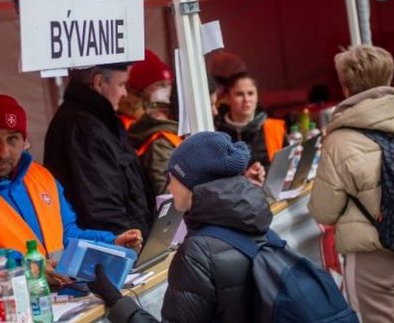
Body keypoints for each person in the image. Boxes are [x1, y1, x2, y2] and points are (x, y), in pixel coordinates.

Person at [0, 94, 142, 317]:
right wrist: (24, 273)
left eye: (12, 139)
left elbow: (66, 236)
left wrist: (111, 244)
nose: (4, 152)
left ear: (24, 141)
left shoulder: (39, 177)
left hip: (58, 311)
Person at [88, 131, 273, 322]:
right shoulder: (258, 226)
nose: (169, 187)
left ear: (190, 182)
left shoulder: (196, 253)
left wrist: (116, 301)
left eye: (171, 177)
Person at [308, 45, 394, 323]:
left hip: (372, 256)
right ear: (388, 77)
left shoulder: (339, 140)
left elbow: (324, 211)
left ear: (346, 87)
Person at [44, 64, 154, 238]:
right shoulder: (84, 127)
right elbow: (101, 204)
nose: (124, 93)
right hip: (112, 243)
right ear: (99, 82)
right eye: (121, 85)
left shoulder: (101, 120)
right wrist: (125, 244)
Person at [214, 72, 287, 185]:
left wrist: (263, 172)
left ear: (257, 96)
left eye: (251, 93)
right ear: (227, 98)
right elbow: (215, 179)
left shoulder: (275, 128)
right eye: (239, 94)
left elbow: (286, 167)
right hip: (235, 194)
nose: (246, 99)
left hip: (271, 191)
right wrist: (244, 179)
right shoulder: (216, 133)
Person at [127, 50, 181, 196]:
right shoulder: (134, 124)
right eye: (160, 85)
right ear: (140, 90)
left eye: (169, 84)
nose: (167, 90)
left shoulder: (169, 121)